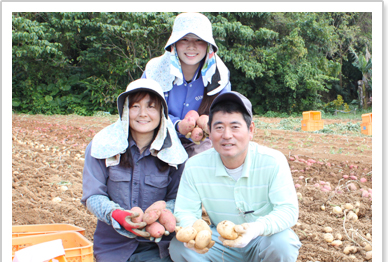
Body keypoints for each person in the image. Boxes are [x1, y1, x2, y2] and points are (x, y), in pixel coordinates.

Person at [169, 91, 302, 262]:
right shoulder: (195, 166)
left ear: (251, 129)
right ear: (209, 130)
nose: (226, 135)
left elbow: (288, 210)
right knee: (179, 248)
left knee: (283, 243)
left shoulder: (273, 161)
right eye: (219, 127)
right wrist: (193, 233)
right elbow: (185, 211)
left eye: (235, 127)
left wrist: (255, 229)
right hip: (221, 243)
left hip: (261, 238)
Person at [81, 78, 188, 262]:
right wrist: (117, 214)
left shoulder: (174, 155)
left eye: (151, 106)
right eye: (135, 106)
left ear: (162, 112)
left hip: (159, 246)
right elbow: (92, 195)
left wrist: (163, 212)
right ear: (125, 110)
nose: (143, 114)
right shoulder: (102, 147)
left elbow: (178, 198)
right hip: (113, 247)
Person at [142, 12, 231, 157]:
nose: (191, 46)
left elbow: (226, 114)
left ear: (208, 46)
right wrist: (178, 125)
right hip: (157, 136)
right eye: (184, 39)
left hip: (200, 142)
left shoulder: (218, 76)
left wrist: (206, 123)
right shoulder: (155, 72)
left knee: (204, 160)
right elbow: (141, 111)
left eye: (199, 40)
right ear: (174, 43)